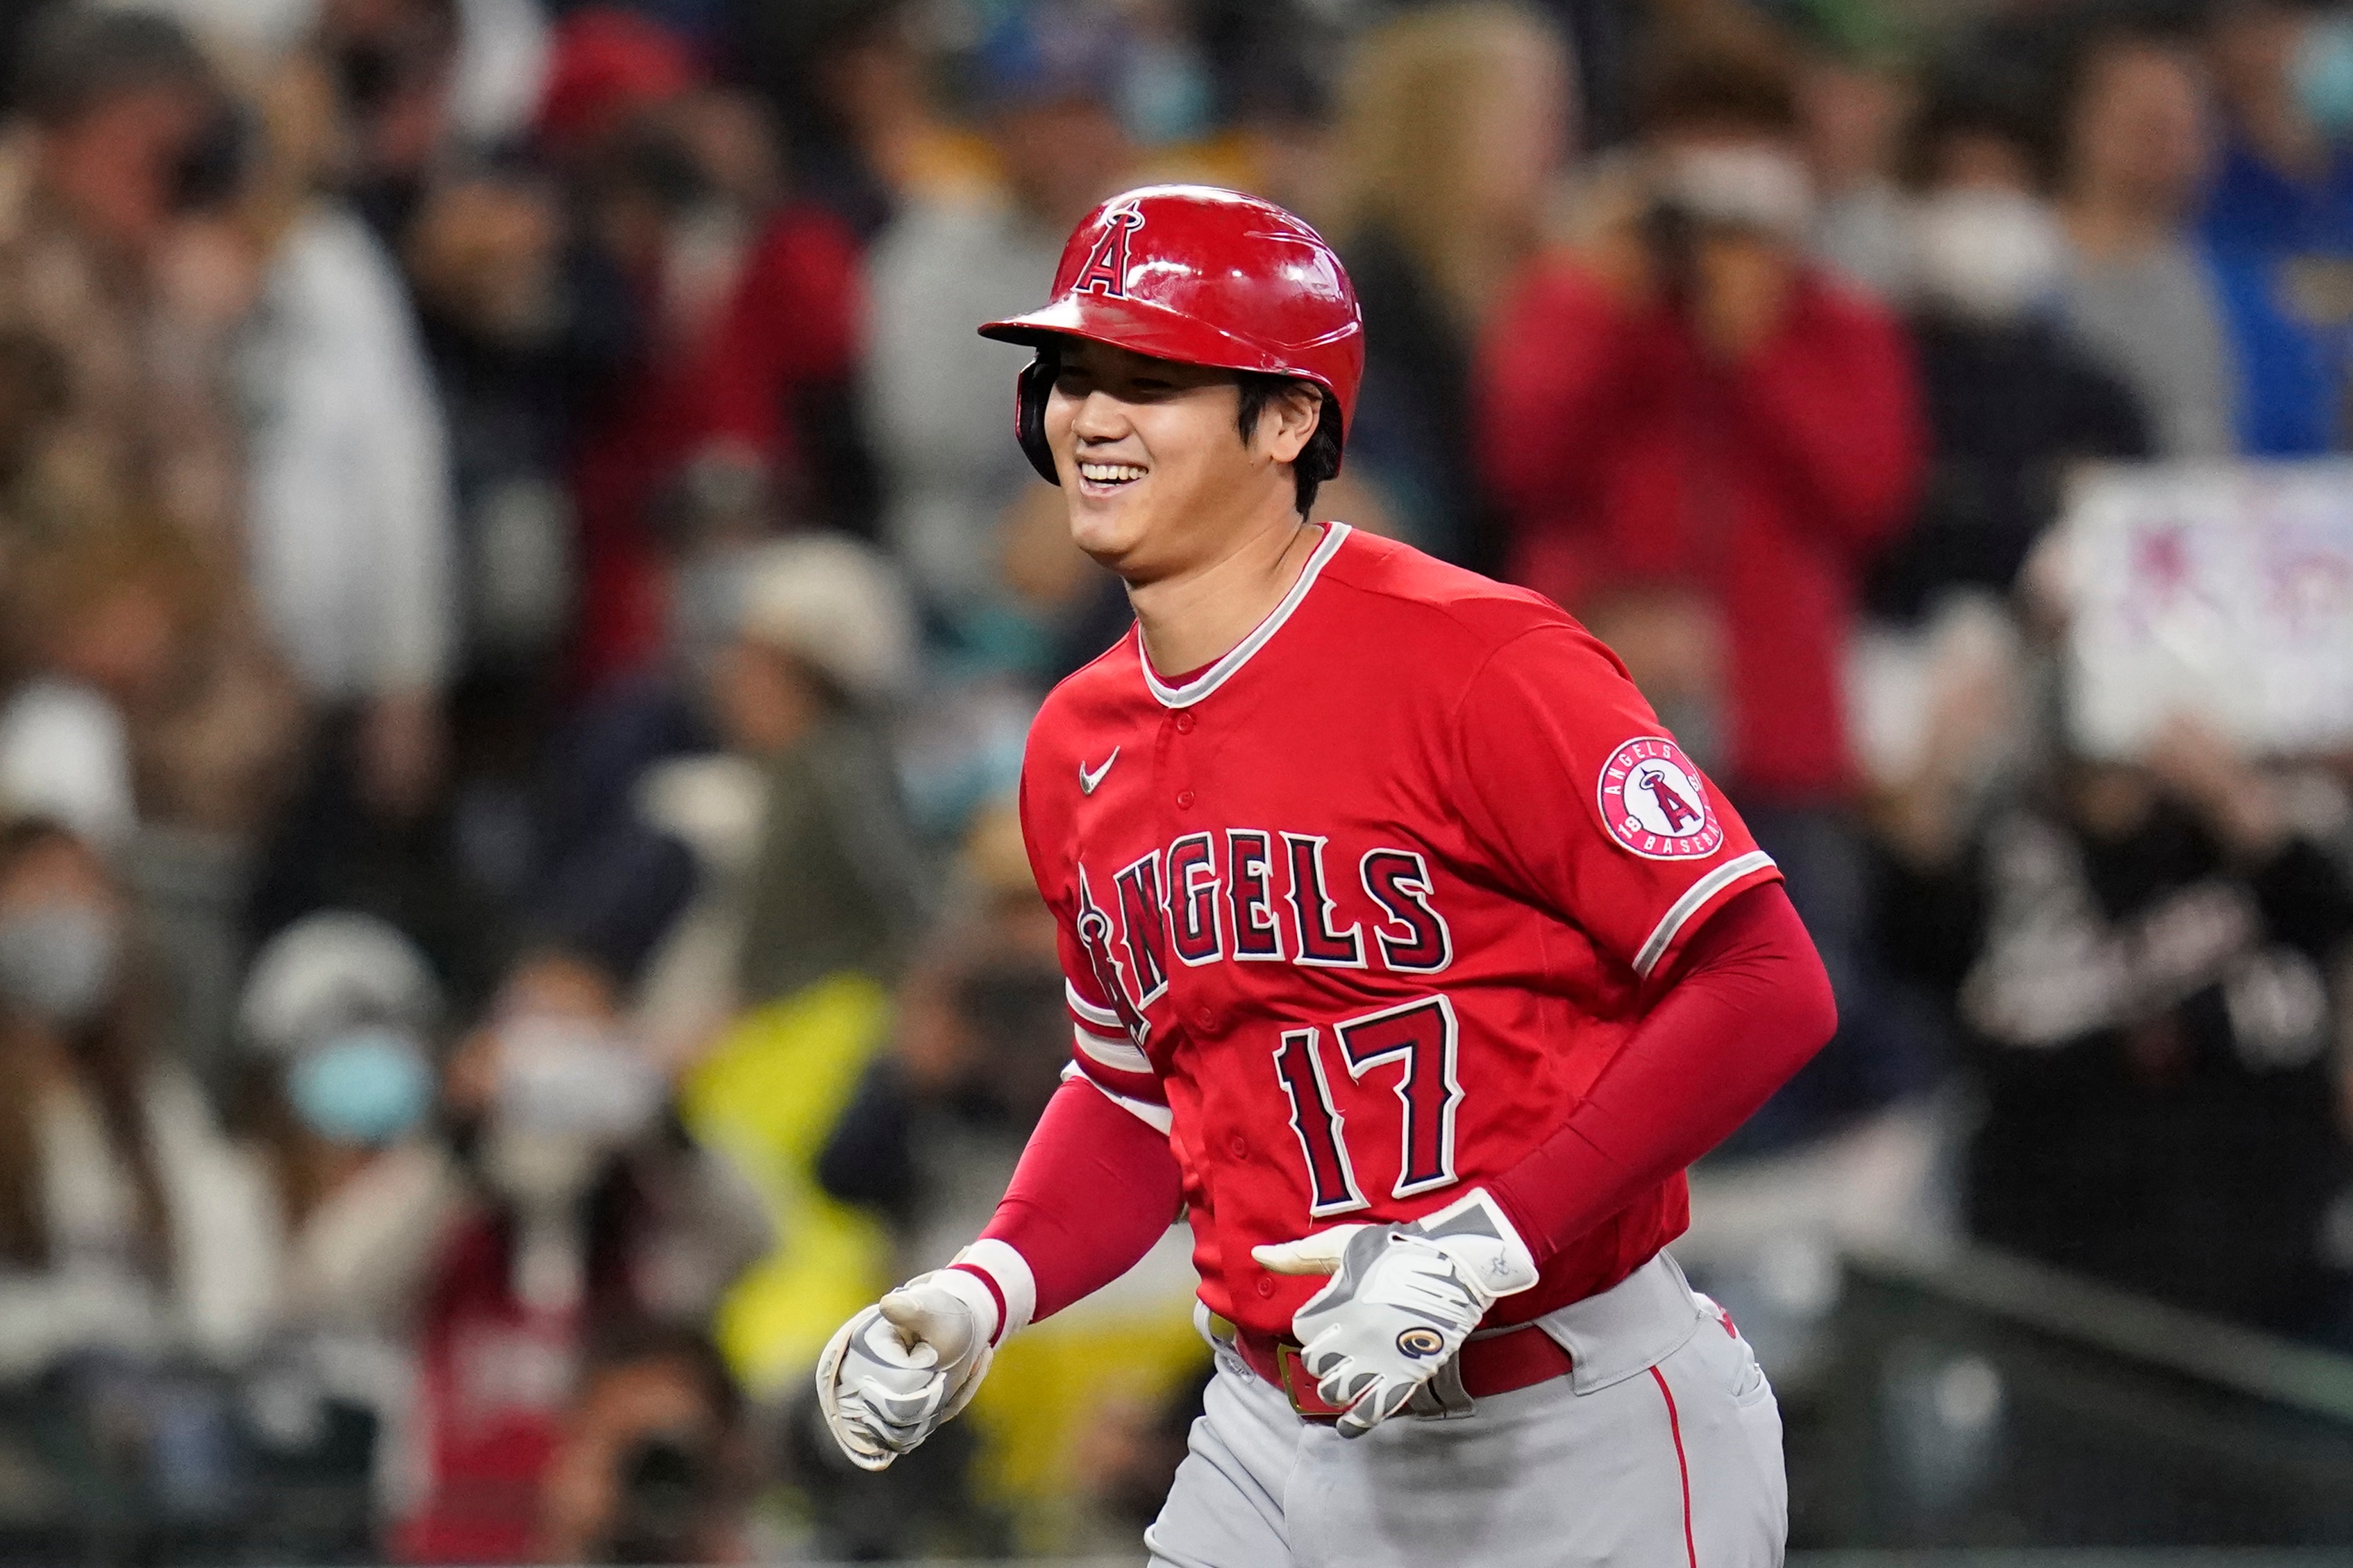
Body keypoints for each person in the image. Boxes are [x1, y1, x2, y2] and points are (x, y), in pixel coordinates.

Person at [814, 185, 1837, 1565]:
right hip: (1266, 1426)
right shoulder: (1073, 741)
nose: (1090, 417)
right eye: (1069, 375)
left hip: (1567, 1427)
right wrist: (983, 1285)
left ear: (1288, 418)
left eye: (1151, 378)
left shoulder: (1478, 659)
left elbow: (1767, 980)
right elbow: (1132, 1093)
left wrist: (1486, 1240)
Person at [2054, 30, 2240, 459]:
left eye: (2185, 128)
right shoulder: (2016, 275)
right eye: (2148, 125)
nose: (2167, 147)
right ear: (2082, 125)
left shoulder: (2238, 287)